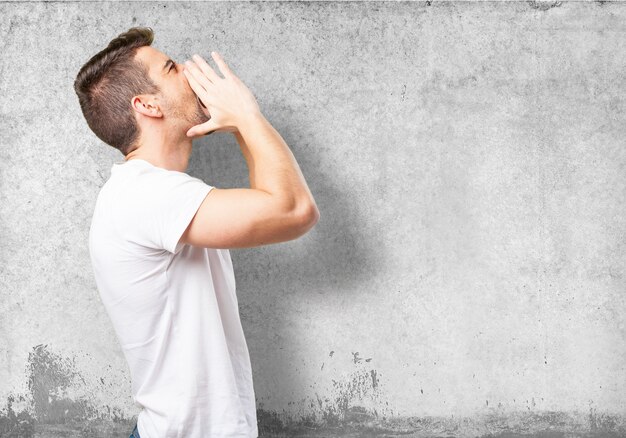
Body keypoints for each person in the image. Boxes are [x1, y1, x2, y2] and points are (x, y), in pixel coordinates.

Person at [73, 27, 320, 438]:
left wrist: (243, 126)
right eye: (171, 68)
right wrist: (247, 115)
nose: (188, 71)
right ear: (147, 104)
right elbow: (294, 210)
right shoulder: (146, 195)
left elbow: (270, 202)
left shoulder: (151, 195)